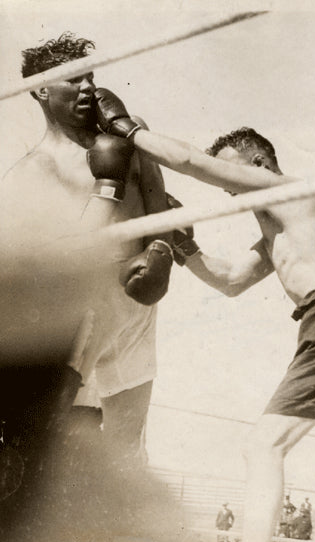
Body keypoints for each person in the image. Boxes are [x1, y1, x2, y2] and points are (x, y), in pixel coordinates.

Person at [93, 89, 315, 542]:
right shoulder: (284, 228)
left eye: (234, 178)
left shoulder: (288, 190)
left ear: (259, 165)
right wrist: (185, 247)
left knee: (264, 446)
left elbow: (189, 161)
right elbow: (230, 281)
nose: (230, 192)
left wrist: (131, 132)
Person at [0, 33, 182, 469]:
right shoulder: (31, 172)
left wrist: (162, 253)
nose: (88, 88)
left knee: (127, 440)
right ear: (41, 89)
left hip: (140, 300)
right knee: (57, 427)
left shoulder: (127, 129)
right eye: (73, 80)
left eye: (90, 77)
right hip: (88, 304)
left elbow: (158, 197)